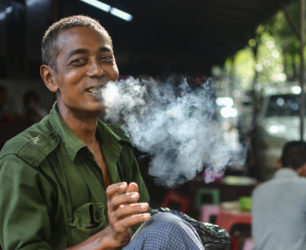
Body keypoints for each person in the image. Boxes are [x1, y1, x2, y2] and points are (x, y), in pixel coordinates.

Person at [0, 15, 204, 250]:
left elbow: (141, 229)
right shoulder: (24, 160)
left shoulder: (118, 143)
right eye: (78, 61)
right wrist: (105, 239)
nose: (97, 70)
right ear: (50, 78)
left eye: (106, 58)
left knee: (168, 225)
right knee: (168, 227)